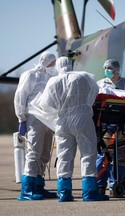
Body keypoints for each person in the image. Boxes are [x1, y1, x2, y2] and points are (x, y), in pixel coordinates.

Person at [37, 57, 109, 202]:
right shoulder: (84, 76)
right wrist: (84, 105)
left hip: (62, 121)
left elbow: (44, 104)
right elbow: (94, 92)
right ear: (71, 64)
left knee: (64, 156)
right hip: (82, 117)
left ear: (57, 66)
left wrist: (61, 110)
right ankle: (89, 192)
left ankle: (64, 193)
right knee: (88, 154)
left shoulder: (53, 81)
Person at [14, 51, 58, 201]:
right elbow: (20, 95)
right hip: (34, 117)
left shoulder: (52, 77)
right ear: (44, 61)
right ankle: (27, 189)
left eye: (54, 63)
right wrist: (21, 118)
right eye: (51, 63)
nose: (53, 66)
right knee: (33, 151)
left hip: (48, 118)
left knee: (45, 153)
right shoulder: (30, 75)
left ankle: (39, 185)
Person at [96, 59, 125, 195]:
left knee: (120, 157)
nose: (106, 70)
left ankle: (117, 183)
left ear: (116, 69)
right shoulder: (100, 84)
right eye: (105, 68)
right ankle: (100, 184)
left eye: (109, 68)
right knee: (103, 154)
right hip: (106, 126)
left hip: (122, 124)